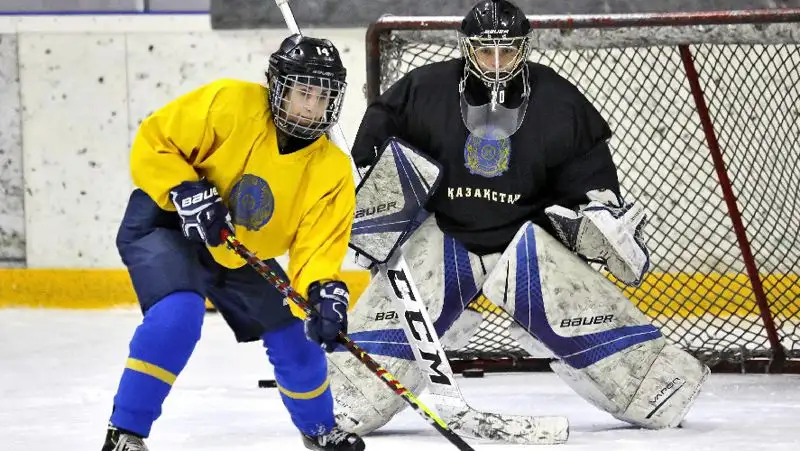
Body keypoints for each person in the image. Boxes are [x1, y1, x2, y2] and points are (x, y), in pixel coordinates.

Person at [328, 0, 708, 438]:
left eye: (506, 51)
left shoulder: (559, 102)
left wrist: (598, 219)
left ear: (524, 48)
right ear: (465, 48)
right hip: (447, 238)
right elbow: (382, 127)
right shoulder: (426, 88)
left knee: (657, 396)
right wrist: (368, 172)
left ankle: (651, 382)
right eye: (484, 51)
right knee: (349, 403)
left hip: (526, 246)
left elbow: (590, 185)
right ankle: (356, 382)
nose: (494, 63)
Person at [102, 34, 364, 451]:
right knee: (177, 316)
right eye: (303, 93)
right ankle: (125, 434)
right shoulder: (229, 103)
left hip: (237, 248)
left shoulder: (331, 170)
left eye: (322, 96)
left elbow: (316, 250)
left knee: (296, 332)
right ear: (279, 88)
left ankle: (320, 430)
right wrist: (184, 189)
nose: (311, 107)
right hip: (167, 222)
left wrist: (322, 292)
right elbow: (153, 143)